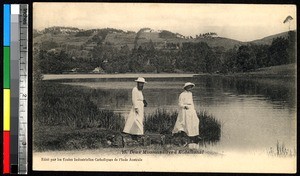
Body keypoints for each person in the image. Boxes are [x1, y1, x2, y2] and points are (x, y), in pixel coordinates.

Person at [172, 82, 200, 149]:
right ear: (185, 87)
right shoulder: (182, 94)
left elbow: (192, 103)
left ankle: (195, 135)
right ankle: (187, 135)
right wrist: (184, 106)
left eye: (190, 87)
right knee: (186, 122)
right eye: (188, 86)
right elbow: (180, 103)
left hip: (191, 109)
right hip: (185, 110)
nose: (189, 88)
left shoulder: (190, 94)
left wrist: (193, 109)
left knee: (195, 121)